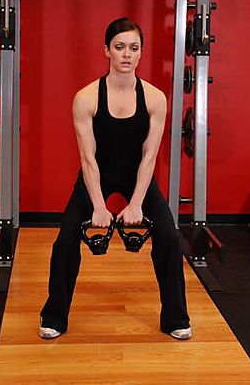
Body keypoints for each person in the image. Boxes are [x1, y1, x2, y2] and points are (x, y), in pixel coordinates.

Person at [39, 17, 191, 340]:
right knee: (66, 239)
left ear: (141, 53)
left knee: (168, 235)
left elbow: (149, 157)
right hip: (97, 175)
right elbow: (87, 159)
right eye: (119, 47)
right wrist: (98, 205)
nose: (126, 54)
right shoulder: (86, 98)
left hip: (138, 176)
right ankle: (54, 316)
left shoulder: (154, 99)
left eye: (133, 48)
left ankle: (176, 318)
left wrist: (136, 202)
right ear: (106, 50)